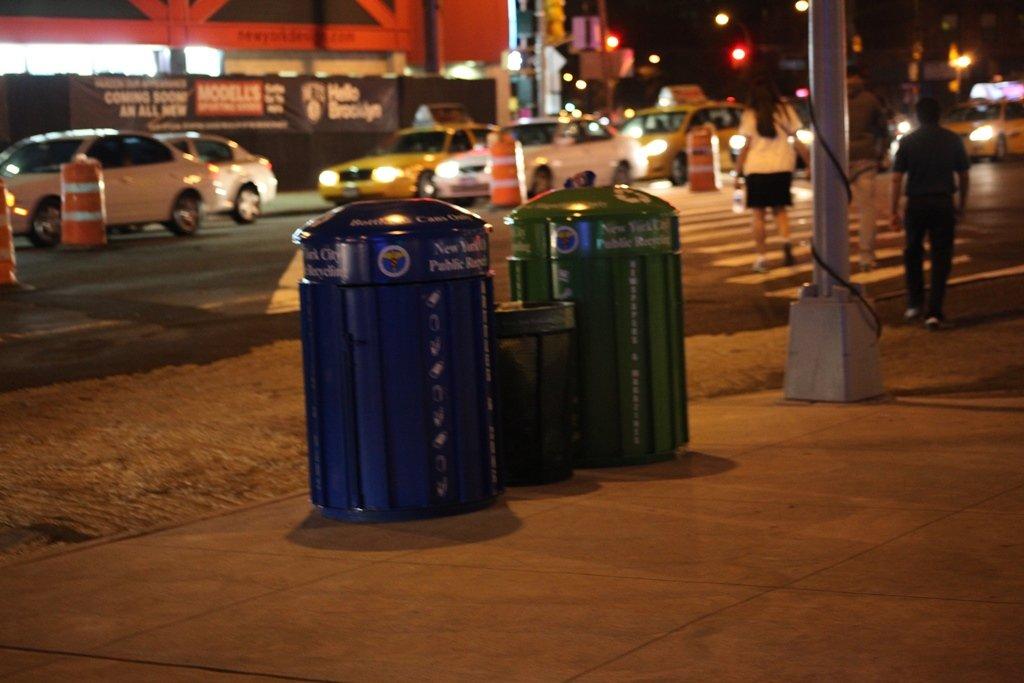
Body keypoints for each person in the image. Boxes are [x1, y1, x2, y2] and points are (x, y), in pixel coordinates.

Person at [890, 97, 970, 330]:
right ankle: (935, 310)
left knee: (913, 253)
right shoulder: (952, 139)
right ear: (939, 115)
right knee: (941, 257)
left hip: (916, 204)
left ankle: (915, 303)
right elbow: (964, 175)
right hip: (943, 203)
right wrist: (962, 206)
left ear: (918, 116)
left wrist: (894, 210)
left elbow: (896, 178)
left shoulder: (908, 141)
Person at [735, 78, 809, 273]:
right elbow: (796, 138)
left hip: (757, 168)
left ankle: (761, 257)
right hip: (782, 166)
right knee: (780, 210)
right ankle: (786, 242)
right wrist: (809, 163)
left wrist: (737, 171)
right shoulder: (784, 110)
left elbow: (746, 146)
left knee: (758, 214)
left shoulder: (750, 114)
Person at [847, 66, 890, 271]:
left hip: (839, 161)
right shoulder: (871, 100)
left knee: (837, 211)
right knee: (867, 210)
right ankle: (865, 256)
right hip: (865, 159)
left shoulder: (833, 97)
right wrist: (881, 153)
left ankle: (837, 254)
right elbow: (883, 129)